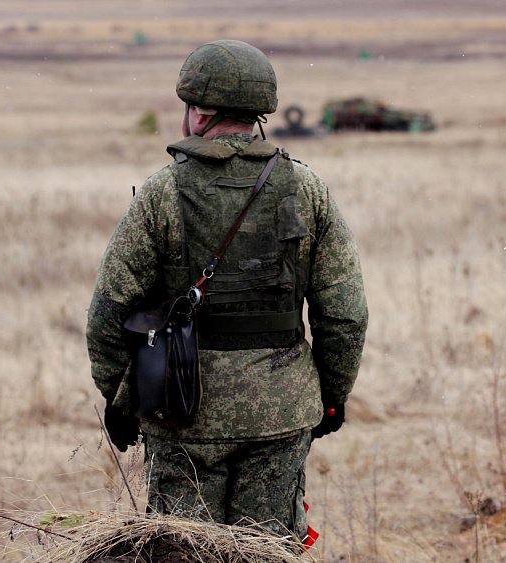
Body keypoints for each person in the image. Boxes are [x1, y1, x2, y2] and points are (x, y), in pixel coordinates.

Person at [85, 39, 368, 542]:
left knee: (183, 550)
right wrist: (331, 396)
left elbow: (110, 312)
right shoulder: (308, 189)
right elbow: (345, 315)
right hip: (279, 411)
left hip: (179, 408)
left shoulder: (160, 193)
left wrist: (122, 397)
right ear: (258, 111)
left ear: (199, 113)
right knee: (265, 549)